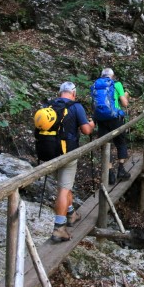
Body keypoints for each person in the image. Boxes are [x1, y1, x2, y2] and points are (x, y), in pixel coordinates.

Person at [49, 82, 95, 243]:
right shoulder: (76, 107)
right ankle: (59, 228)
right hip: (67, 153)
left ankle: (71, 214)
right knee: (63, 188)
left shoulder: (49, 105)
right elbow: (86, 130)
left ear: (59, 92)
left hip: (50, 153)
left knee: (64, 185)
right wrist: (91, 123)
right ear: (73, 93)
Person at [92, 68, 130, 185]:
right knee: (120, 143)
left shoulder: (96, 86)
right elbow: (124, 103)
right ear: (112, 76)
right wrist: (125, 95)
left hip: (101, 119)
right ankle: (121, 170)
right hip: (115, 119)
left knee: (105, 144)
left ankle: (110, 174)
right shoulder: (117, 84)